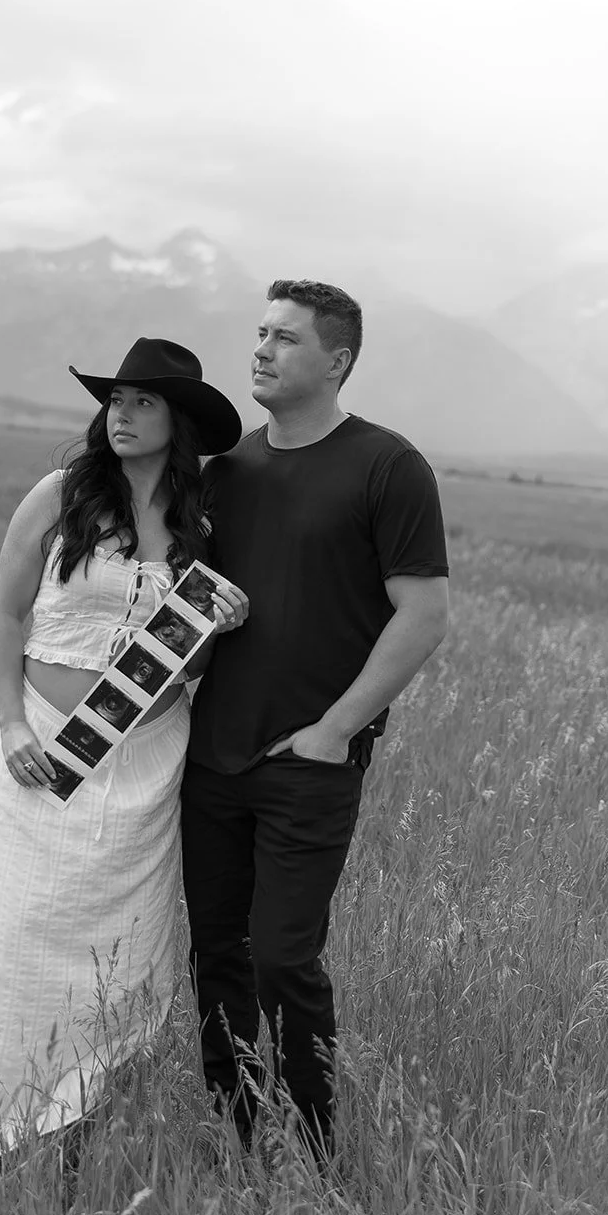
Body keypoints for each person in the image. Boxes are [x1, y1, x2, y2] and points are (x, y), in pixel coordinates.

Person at [181, 279, 449, 1164]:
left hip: (309, 761)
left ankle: (316, 1149)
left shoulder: (386, 466)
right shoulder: (226, 472)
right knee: (217, 954)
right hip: (210, 756)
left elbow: (422, 615)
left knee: (282, 958)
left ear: (336, 361)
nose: (260, 350)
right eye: (259, 333)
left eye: (285, 338)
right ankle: (239, 1136)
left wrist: (335, 732)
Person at [0, 337, 246, 1157]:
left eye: (142, 402)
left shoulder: (200, 524)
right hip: (41, 754)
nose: (121, 414)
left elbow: (191, 667)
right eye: (114, 399)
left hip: (146, 766)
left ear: (178, 422)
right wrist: (12, 723)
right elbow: (5, 614)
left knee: (116, 959)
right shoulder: (60, 495)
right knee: (18, 943)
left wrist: (220, 625)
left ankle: (77, 1131)